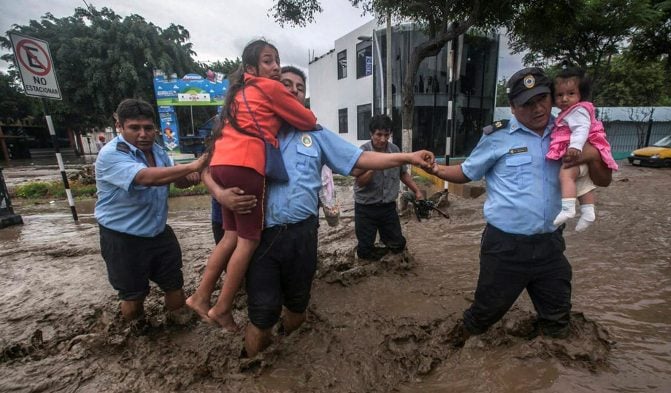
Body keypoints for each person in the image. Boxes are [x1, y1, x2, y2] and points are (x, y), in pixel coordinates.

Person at [207, 66, 434, 357]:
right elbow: (209, 167)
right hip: (260, 237)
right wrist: (219, 194)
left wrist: (407, 156)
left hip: (303, 235)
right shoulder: (246, 127)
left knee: (298, 305)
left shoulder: (315, 133)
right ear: (269, 90)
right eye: (284, 84)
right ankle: (253, 368)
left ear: (304, 97)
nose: (292, 90)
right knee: (262, 314)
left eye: (299, 87)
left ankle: (295, 362)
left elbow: (358, 159)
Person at [423, 67, 612, 341]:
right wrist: (436, 170)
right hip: (505, 248)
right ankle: (447, 346)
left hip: (550, 245)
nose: (537, 109)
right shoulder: (496, 137)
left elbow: (603, 180)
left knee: (559, 321)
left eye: (542, 99)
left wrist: (592, 153)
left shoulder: (569, 132)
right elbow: (466, 172)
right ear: (512, 108)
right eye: (527, 104)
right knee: (483, 317)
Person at [191, 40, 317, 331]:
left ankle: (200, 295)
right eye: (269, 62)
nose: (274, 68)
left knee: (230, 238)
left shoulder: (236, 97)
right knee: (249, 242)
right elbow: (307, 119)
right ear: (251, 68)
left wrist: (221, 193)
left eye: (277, 61)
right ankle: (221, 307)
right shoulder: (270, 89)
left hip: (223, 167)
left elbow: (207, 162)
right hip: (246, 167)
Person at [94, 99, 207, 322]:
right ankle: (135, 337)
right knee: (133, 297)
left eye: (148, 128)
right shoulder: (111, 154)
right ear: (120, 127)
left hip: (158, 232)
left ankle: (179, 329)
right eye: (134, 128)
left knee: (175, 287)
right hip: (123, 239)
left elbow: (175, 180)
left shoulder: (158, 151)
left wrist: (190, 177)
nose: (143, 134)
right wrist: (194, 165)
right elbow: (145, 178)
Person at [547, 66, 619, 231]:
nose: (564, 98)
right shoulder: (568, 113)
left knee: (566, 175)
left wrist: (576, 147)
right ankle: (588, 212)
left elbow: (581, 129)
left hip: (575, 152)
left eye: (570, 93)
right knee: (583, 184)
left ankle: (568, 209)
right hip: (580, 155)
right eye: (559, 95)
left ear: (581, 94)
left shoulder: (577, 111)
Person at [351, 114, 423, 261]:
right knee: (365, 252)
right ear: (371, 134)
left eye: (386, 135)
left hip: (388, 207)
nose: (383, 139)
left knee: (398, 245)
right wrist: (373, 166)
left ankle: (387, 265)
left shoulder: (395, 150)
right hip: (365, 208)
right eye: (379, 135)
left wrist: (417, 191)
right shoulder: (362, 153)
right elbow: (360, 182)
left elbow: (403, 174)